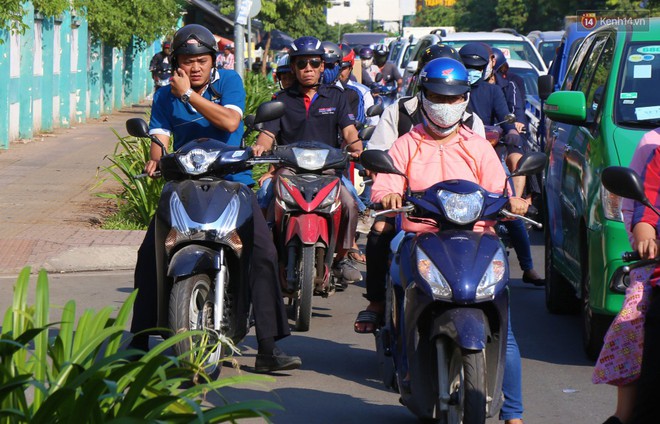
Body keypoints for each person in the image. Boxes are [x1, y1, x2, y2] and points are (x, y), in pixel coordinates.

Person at [361, 57, 528, 424]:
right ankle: (396, 338)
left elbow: (499, 188)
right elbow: (385, 184)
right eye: (438, 96)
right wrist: (388, 195)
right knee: (394, 259)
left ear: (465, 99)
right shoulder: (406, 145)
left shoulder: (478, 146)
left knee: (504, 325)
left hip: (477, 240)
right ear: (423, 97)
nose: (446, 104)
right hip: (422, 239)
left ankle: (513, 413)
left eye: (454, 98)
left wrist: (513, 198)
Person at [131, 24, 301, 373]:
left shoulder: (229, 83)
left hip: (231, 181)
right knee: (150, 252)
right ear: (175, 61)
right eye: (187, 60)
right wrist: (154, 158)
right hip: (183, 182)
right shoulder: (165, 96)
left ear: (213, 61)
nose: (194, 67)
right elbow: (159, 141)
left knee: (263, 254)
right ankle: (137, 340)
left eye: (201, 60)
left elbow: (228, 123)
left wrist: (189, 96)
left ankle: (267, 347)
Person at [252, 35, 363, 285]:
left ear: (323, 65)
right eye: (302, 64)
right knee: (265, 200)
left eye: (314, 63)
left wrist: (359, 149)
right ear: (293, 67)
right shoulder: (281, 100)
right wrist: (259, 147)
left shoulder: (336, 97)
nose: (308, 69)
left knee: (350, 204)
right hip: (289, 170)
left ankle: (342, 257)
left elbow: (349, 132)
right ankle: (263, 256)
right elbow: (268, 134)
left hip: (328, 171)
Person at [459, 42, 545, 286]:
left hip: (488, 157)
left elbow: (507, 123)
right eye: (468, 66)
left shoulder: (493, 92)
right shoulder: (451, 92)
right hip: (455, 159)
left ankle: (528, 268)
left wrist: (510, 133)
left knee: (509, 210)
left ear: (487, 67)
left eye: (478, 66)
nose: (473, 70)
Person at [594, 128, 660, 424]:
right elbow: (647, 214)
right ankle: (625, 415)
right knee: (633, 317)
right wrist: (646, 236)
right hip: (655, 275)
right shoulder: (656, 150)